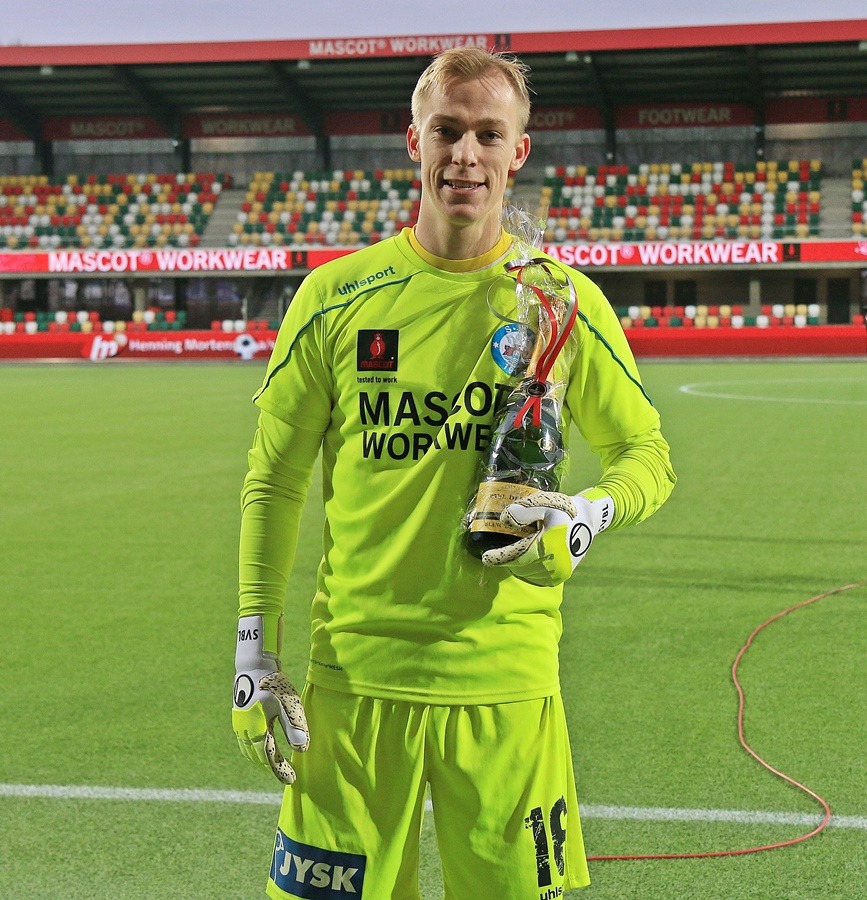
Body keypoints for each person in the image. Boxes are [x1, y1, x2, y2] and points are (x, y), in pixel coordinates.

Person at [232, 46, 675, 899]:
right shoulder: (334, 297)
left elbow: (646, 456)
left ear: (518, 151)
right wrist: (254, 648)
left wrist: (586, 515)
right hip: (354, 685)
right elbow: (273, 481)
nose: (464, 154)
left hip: (505, 686)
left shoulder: (560, 303)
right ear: (414, 140)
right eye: (446, 131)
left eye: (487, 134)